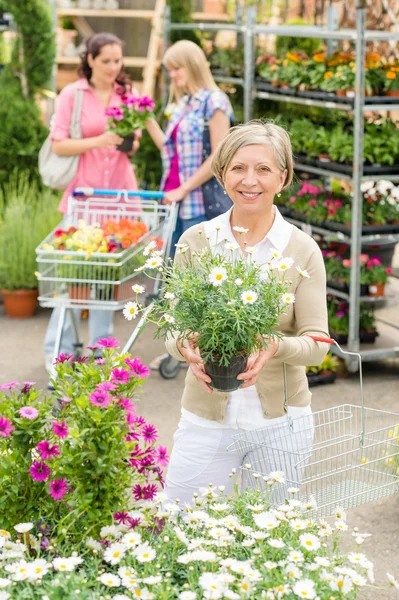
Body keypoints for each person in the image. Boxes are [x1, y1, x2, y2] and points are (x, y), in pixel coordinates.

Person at [163, 120, 330, 505]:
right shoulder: (196, 241)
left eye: (263, 169)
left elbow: (318, 343)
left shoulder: (302, 249)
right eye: (238, 168)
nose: (249, 180)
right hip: (204, 421)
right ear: (222, 175)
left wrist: (274, 345)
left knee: (266, 543)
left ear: (283, 178)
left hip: (280, 426)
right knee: (182, 525)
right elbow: (173, 327)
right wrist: (183, 346)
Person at [44, 32, 140, 372]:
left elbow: (134, 144)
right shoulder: (73, 95)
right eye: (106, 61)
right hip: (84, 198)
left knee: (108, 278)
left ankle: (102, 346)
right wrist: (100, 139)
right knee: (76, 276)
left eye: (118, 61)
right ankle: (58, 347)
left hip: (118, 194)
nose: (113, 67)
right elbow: (59, 145)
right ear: (89, 60)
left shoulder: (127, 94)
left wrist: (127, 141)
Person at [145, 39, 233, 370]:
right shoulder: (183, 104)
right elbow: (168, 149)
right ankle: (180, 348)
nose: (172, 76)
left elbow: (218, 156)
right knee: (177, 279)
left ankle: (207, 349)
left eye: (176, 68)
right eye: (168, 70)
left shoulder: (215, 102)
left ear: (193, 65)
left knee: (200, 276)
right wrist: (145, 118)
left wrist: (183, 188)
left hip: (198, 201)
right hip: (175, 202)